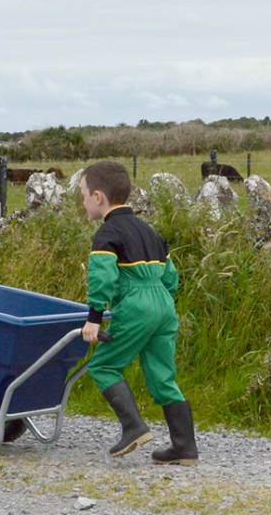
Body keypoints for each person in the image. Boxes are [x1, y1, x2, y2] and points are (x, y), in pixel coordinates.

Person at [79, 160, 198, 465]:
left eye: (83, 195)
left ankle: (133, 427)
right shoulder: (149, 232)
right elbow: (171, 277)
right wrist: (160, 306)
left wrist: (94, 318)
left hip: (136, 305)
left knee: (103, 366)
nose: (83, 202)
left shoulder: (107, 234)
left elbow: (102, 277)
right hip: (163, 305)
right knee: (162, 375)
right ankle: (184, 447)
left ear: (98, 197)